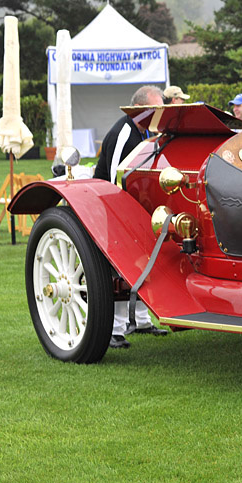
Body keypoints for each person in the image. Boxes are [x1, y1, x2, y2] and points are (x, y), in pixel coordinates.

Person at [93, 85, 169, 349]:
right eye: (156, 108)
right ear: (139, 109)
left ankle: (141, 320)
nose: (160, 113)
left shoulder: (145, 131)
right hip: (113, 208)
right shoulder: (124, 132)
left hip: (135, 208)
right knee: (119, 267)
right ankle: (114, 329)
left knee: (141, 264)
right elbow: (114, 178)